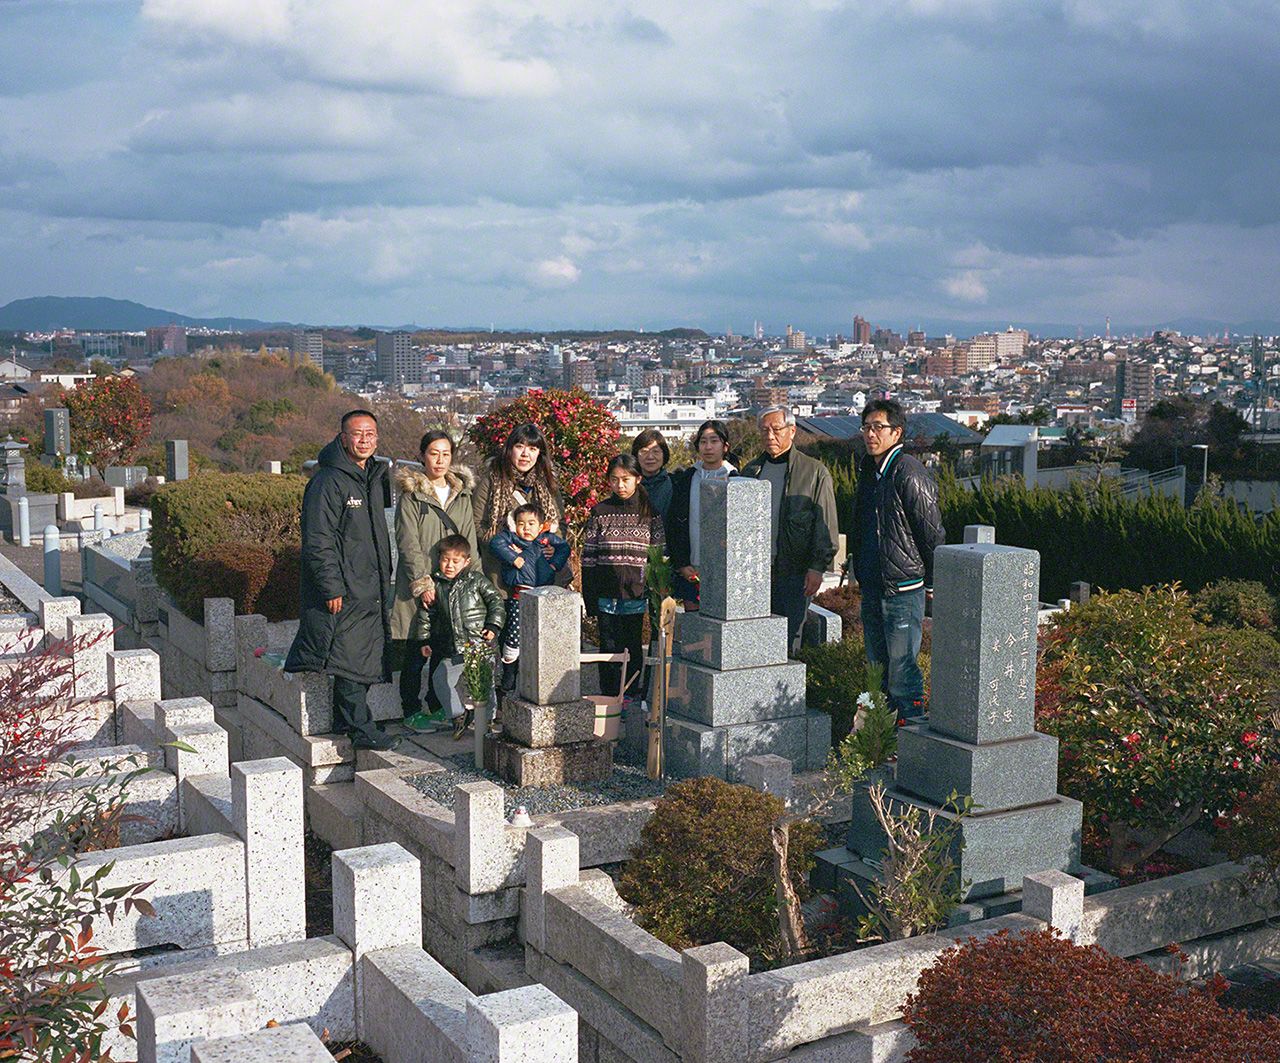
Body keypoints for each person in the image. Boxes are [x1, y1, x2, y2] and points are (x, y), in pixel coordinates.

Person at [285, 409, 398, 751]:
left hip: (371, 583)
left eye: (370, 434)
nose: (365, 440)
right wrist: (330, 586)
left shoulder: (373, 476)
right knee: (349, 657)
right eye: (357, 434)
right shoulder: (328, 481)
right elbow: (318, 540)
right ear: (343, 438)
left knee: (364, 653)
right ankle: (361, 728)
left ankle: (346, 719)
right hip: (346, 586)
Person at [851, 398, 944, 722]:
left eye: (879, 427)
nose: (870, 434)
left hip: (903, 587)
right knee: (877, 670)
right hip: (873, 585)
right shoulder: (869, 470)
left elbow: (931, 530)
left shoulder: (908, 470)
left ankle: (910, 735)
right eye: (866, 427)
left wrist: (933, 581)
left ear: (897, 432)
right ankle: (881, 736)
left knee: (902, 670)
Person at [391, 430, 479, 728]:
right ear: (422, 456)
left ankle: (437, 704)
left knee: (444, 651)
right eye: (433, 453)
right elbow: (408, 543)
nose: (440, 460)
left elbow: (469, 543)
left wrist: (473, 584)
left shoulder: (462, 495)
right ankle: (411, 710)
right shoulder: (411, 496)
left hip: (452, 587)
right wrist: (422, 582)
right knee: (416, 652)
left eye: (446, 454)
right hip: (420, 588)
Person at [741, 406, 839, 654]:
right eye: (764, 430)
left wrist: (817, 568)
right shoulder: (751, 471)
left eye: (776, 429)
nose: (770, 436)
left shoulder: (814, 472)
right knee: (753, 639)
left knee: (790, 639)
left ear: (792, 431)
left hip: (795, 572)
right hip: (755, 573)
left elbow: (826, 527)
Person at [581, 454, 665, 700]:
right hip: (606, 592)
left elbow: (658, 558)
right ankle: (608, 698)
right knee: (608, 646)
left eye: (626, 479)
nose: (620, 485)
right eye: (615, 479)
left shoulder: (650, 513)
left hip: (636, 593)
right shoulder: (600, 512)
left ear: (638, 479)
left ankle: (631, 695)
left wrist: (657, 594)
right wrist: (590, 598)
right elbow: (588, 558)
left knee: (632, 645)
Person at [404, 534, 505, 737]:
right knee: (441, 677)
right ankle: (459, 715)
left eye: (455, 561)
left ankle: (487, 724)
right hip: (452, 649)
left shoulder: (476, 580)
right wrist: (424, 641)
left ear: (466, 561)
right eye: (445, 560)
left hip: (479, 645)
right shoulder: (435, 585)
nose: (449, 565)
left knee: (484, 685)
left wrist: (493, 626)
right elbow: (426, 615)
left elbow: (496, 602)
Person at [488, 503, 571, 697]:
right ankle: (510, 669)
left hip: (543, 593)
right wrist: (512, 557)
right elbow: (495, 544)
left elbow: (564, 548)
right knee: (514, 632)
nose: (526, 528)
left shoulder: (546, 539)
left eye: (531, 523)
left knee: (541, 634)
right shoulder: (511, 538)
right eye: (521, 523)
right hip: (520, 593)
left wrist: (554, 565)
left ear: (541, 525)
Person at [472, 423, 565, 594]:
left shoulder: (547, 483)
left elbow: (560, 523)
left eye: (532, 449)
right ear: (510, 449)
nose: (525, 454)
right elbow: (477, 524)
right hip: (503, 575)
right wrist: (506, 547)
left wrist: (552, 546)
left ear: (539, 453)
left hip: (543, 574)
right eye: (519, 446)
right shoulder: (491, 481)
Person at [666, 419, 736, 610]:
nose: (708, 447)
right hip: (692, 566)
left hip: (725, 569)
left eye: (714, 441)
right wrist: (681, 564)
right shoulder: (688, 478)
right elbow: (675, 524)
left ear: (725, 446)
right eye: (703, 442)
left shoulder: (736, 478)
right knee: (694, 621)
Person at [631, 428, 674, 522]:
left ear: (664, 455)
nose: (650, 457)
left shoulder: (675, 484)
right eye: (644, 451)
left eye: (656, 451)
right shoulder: (628, 485)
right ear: (636, 455)